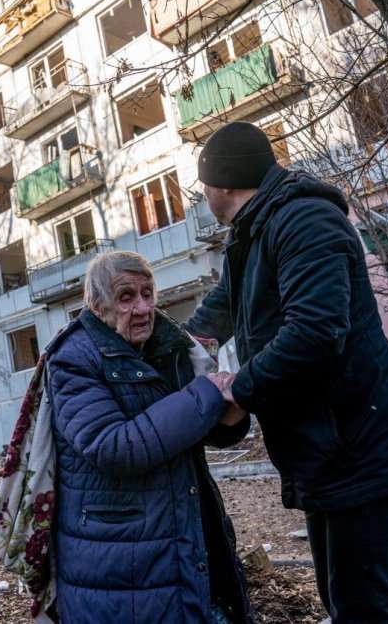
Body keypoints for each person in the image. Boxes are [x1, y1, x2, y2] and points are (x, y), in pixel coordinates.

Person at [185, 122, 388, 624]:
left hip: (360, 447)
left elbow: (316, 332)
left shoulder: (304, 221)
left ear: (224, 183)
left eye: (203, 186)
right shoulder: (253, 232)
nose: (203, 195)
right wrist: (169, 348)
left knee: (362, 609)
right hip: (327, 453)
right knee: (341, 599)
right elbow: (224, 307)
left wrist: (241, 389)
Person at [46, 251, 254, 623]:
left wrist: (229, 416)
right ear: (97, 305)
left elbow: (191, 428)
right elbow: (113, 447)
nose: (142, 308)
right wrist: (208, 394)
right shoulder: (72, 358)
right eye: (126, 297)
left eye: (147, 293)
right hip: (117, 559)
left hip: (179, 539)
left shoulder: (167, 344)